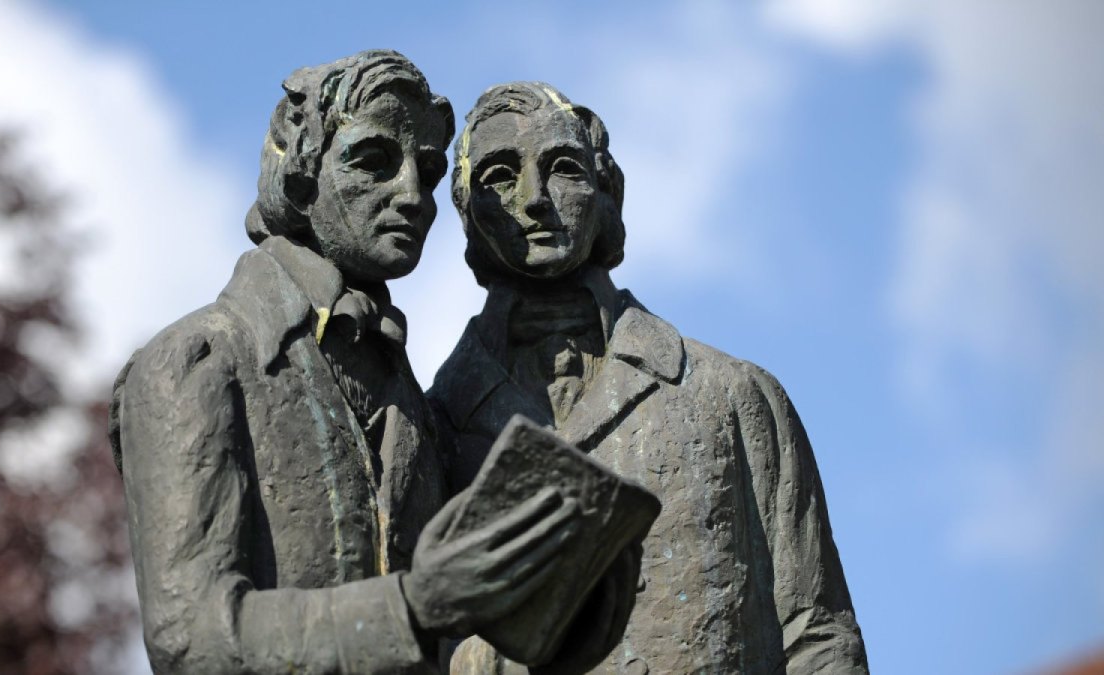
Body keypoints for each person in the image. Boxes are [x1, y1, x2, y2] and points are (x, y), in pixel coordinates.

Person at [109, 54, 580, 675]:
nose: (412, 195)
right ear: (302, 176)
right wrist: (413, 608)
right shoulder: (199, 361)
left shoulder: (420, 405)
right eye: (374, 161)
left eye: (430, 171)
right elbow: (193, 639)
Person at [429, 82, 870, 674]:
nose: (533, 199)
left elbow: (818, 638)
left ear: (607, 193)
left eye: (562, 169)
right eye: (500, 177)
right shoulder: (431, 431)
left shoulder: (734, 397)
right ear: (467, 214)